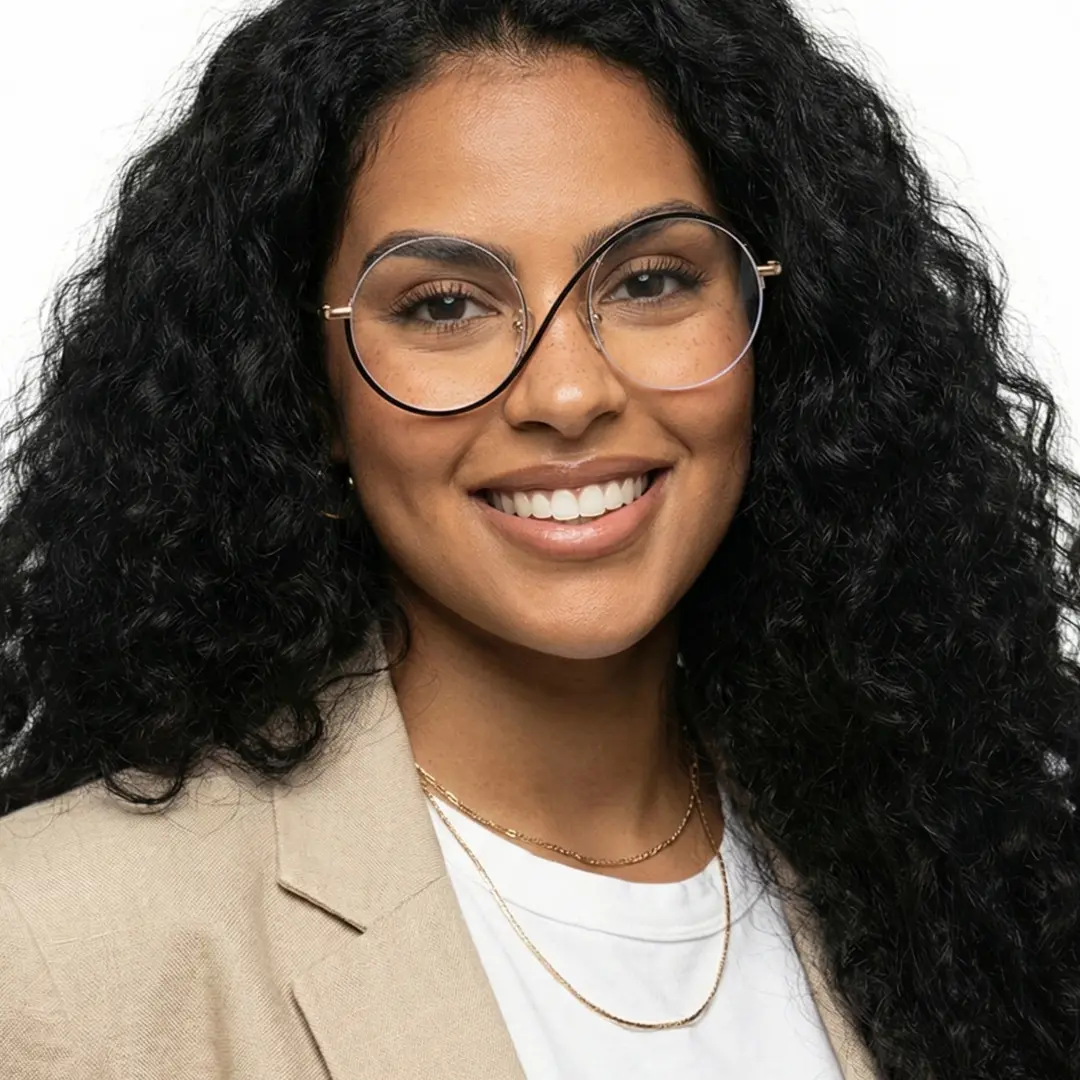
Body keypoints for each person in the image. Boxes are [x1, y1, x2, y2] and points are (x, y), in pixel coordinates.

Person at [0, 0, 1077, 1076]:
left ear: (778, 338)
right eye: (443, 306)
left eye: (651, 281)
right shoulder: (55, 947)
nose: (567, 392)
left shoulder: (976, 875)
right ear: (303, 389)